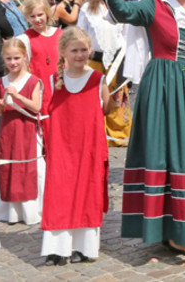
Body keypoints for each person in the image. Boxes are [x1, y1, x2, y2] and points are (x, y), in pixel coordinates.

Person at [78, 0, 185, 255]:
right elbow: (122, 11)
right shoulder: (154, 4)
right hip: (165, 86)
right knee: (168, 153)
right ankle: (172, 229)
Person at [39, 28, 112, 266]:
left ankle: (85, 247)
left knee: (87, 194)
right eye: (74, 50)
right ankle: (57, 249)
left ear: (89, 50)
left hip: (89, 147)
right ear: (63, 53)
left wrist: (114, 100)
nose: (80, 54)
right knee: (59, 196)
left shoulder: (98, 79)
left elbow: (105, 110)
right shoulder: (51, 80)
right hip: (61, 148)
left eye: (83, 50)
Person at [0, 39, 43, 225]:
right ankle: (11, 211)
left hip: (27, 130)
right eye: (8, 59)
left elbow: (36, 107)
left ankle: (30, 211)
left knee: (27, 168)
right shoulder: (0, 82)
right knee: (9, 167)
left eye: (16, 58)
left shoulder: (33, 80)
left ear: (24, 57)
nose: (13, 62)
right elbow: (0, 111)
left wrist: (17, 96)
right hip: (8, 130)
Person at [76, 0, 130, 147]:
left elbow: (126, 34)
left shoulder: (120, 6)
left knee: (117, 97)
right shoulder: (87, 8)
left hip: (117, 59)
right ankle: (96, 133)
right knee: (95, 97)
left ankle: (118, 134)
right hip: (95, 59)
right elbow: (81, 32)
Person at [16, 0, 62, 118]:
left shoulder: (60, 34)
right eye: (32, 16)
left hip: (61, 87)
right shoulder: (25, 39)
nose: (37, 19)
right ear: (27, 18)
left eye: (40, 15)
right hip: (40, 90)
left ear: (47, 13)